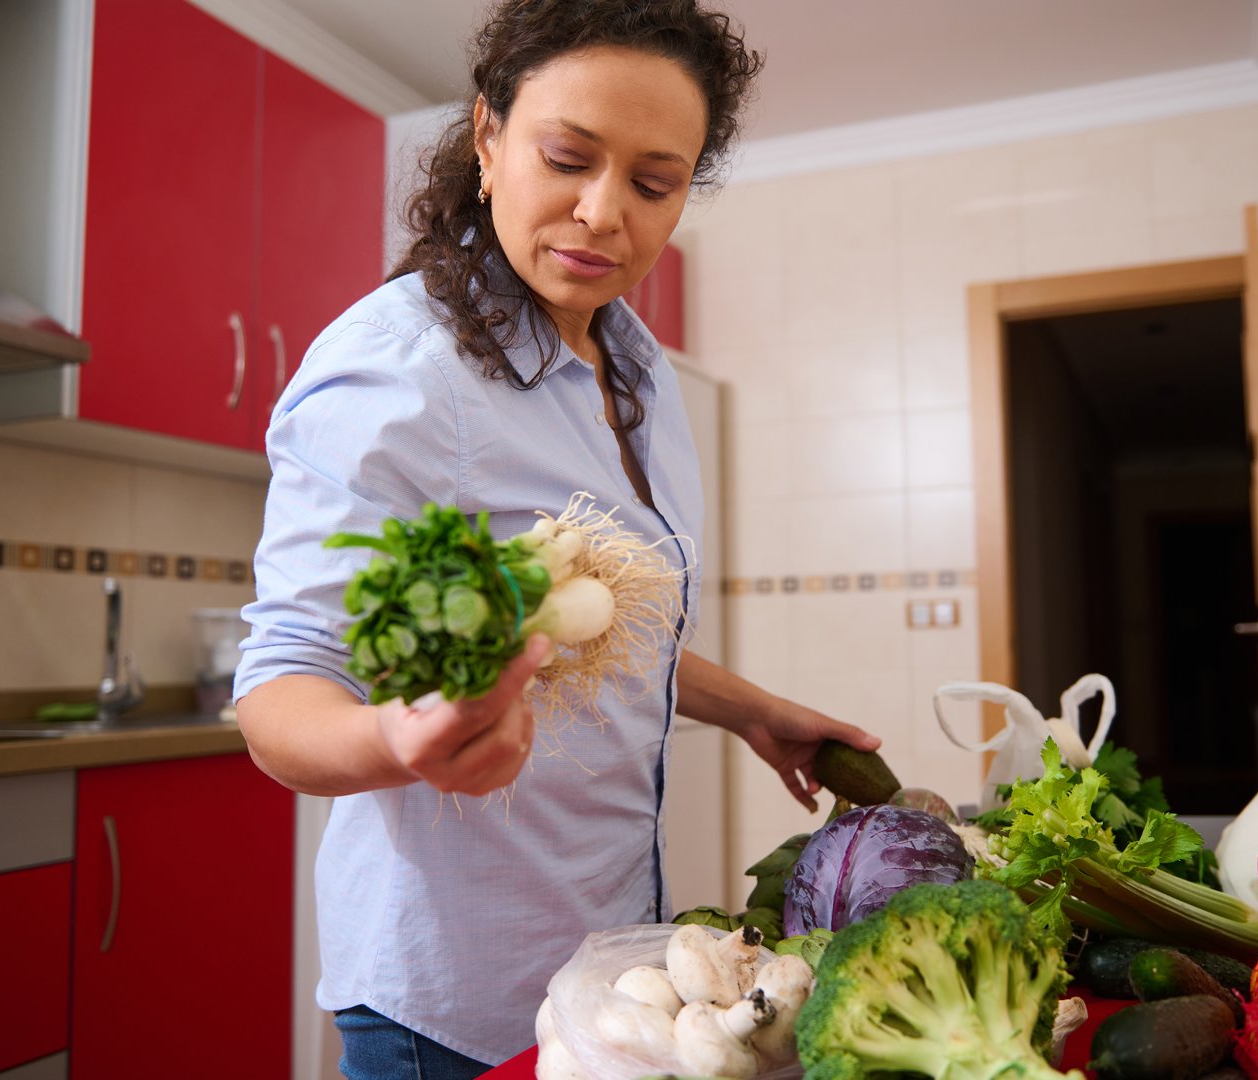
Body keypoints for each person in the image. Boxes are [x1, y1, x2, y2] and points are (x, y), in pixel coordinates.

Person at [234, 2, 882, 1077]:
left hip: (611, 969)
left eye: (652, 183)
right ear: (488, 138)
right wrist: (401, 743)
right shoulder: (399, 371)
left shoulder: (635, 367)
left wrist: (751, 709)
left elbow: (596, 628)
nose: (601, 213)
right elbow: (280, 697)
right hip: (456, 996)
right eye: (568, 158)